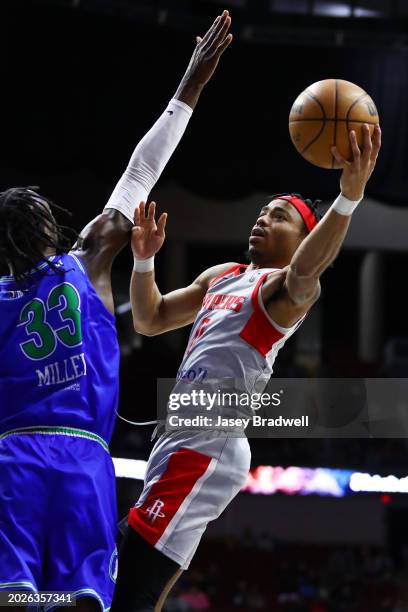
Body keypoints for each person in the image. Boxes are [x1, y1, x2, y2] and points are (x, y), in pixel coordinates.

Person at [0, 10, 232, 611]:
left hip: (12, 457)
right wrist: (190, 87)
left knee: (13, 597)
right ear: (49, 227)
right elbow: (141, 170)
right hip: (82, 458)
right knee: (83, 600)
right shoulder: (90, 258)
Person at [111, 121, 381, 611]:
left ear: (304, 238)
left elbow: (307, 270)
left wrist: (349, 199)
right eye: (262, 212)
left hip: (206, 443)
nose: (262, 219)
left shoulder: (282, 291)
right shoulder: (223, 276)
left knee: (132, 577)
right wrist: (144, 261)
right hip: (178, 438)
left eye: (278, 217)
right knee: (132, 582)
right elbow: (150, 319)